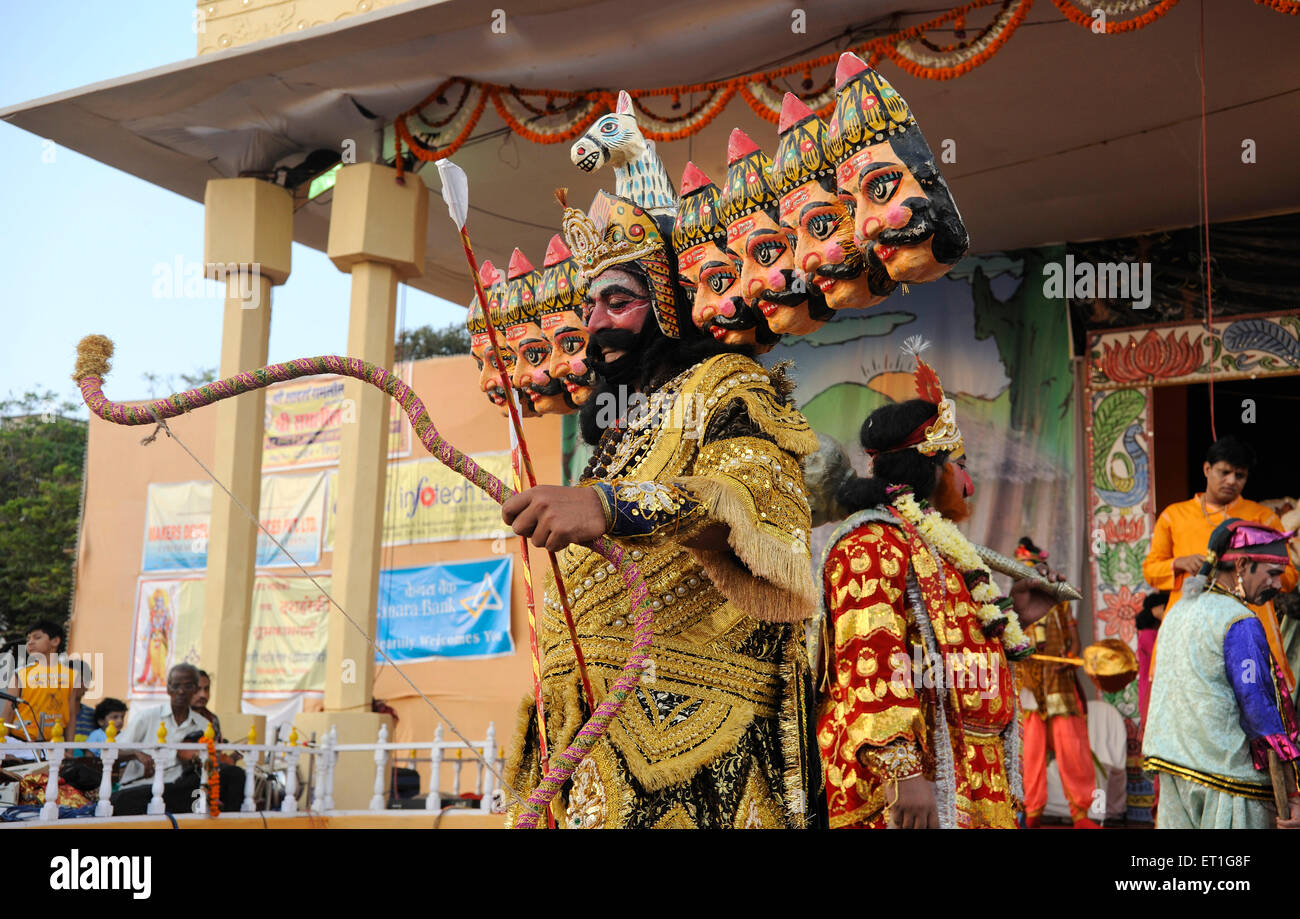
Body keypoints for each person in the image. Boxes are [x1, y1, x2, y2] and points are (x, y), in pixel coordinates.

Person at [500, 178, 822, 828]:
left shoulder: (730, 385)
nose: (595, 323)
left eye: (617, 302)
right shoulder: (619, 428)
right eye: (590, 305)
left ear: (670, 304)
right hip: (585, 740)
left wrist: (610, 507)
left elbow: (747, 511)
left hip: (691, 746)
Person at [816, 357, 1057, 828]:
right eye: (961, 465)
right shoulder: (869, 543)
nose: (968, 483)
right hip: (911, 782)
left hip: (970, 771)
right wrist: (904, 774)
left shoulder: (939, 546)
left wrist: (1018, 618)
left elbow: (948, 648)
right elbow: (872, 662)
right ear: (933, 467)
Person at [1143, 520, 1300, 828]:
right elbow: (1261, 712)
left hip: (1174, 770)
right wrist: (1292, 790)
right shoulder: (1239, 620)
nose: (1279, 585)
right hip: (1228, 782)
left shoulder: (1177, 612)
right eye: (1272, 573)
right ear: (1241, 564)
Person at [1142, 435, 1298, 688]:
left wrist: (1256, 572)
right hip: (1190, 631)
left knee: (1253, 717)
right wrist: (1179, 563)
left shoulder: (1262, 519)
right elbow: (1151, 570)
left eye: (1240, 475)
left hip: (1248, 631)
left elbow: (1289, 577)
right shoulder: (1175, 516)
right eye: (1224, 472)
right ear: (1207, 469)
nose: (1231, 481)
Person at [1014, 537, 1099, 828]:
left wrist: (1071, 654)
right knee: (1030, 752)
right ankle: (1031, 810)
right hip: (1028, 683)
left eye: (1030, 569)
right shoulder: (1012, 603)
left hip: (1059, 680)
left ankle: (1082, 813)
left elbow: (1072, 637)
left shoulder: (1056, 601)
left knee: (1073, 749)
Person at [112, 663, 244, 815]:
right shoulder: (147, 717)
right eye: (176, 686)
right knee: (123, 800)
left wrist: (199, 761)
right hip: (143, 786)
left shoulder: (204, 725)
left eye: (188, 686)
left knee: (235, 774)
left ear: (194, 689)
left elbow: (208, 762)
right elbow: (111, 751)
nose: (181, 691)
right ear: (168, 689)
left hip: (180, 791)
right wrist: (136, 753)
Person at [1, 619, 77, 741]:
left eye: (37, 638)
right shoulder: (21, 674)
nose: (30, 643)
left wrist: (69, 750)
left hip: (53, 743)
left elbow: (71, 715)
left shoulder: (71, 676)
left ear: (55, 641)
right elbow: (8, 712)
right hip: (20, 742)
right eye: (28, 639)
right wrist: (3, 746)